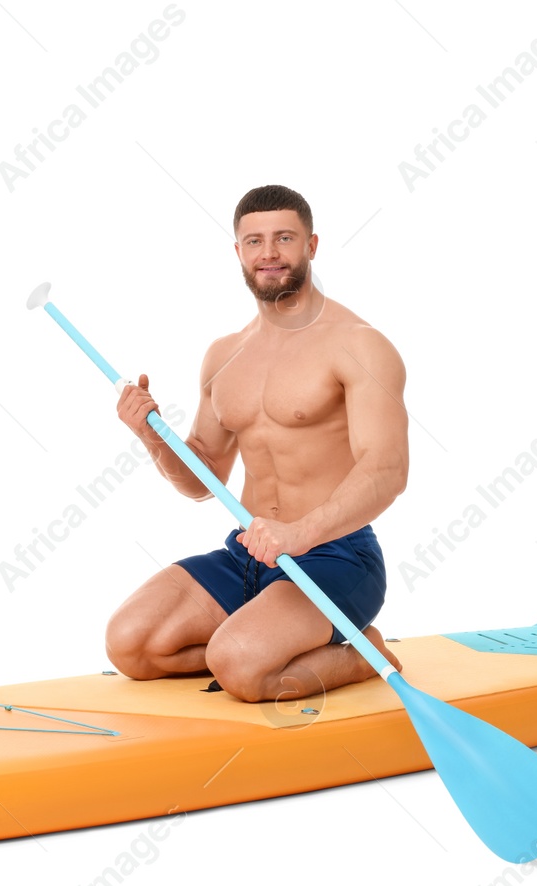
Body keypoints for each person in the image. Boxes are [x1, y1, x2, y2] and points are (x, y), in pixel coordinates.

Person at [104, 184, 408, 703]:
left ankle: (360, 652)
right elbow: (203, 482)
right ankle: (262, 642)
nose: (268, 253)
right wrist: (151, 436)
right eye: (254, 241)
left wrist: (300, 533)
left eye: (283, 238)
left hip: (336, 556)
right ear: (238, 252)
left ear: (311, 245)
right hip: (249, 553)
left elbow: (386, 470)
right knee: (131, 645)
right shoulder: (224, 355)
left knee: (242, 670)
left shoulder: (358, 344)